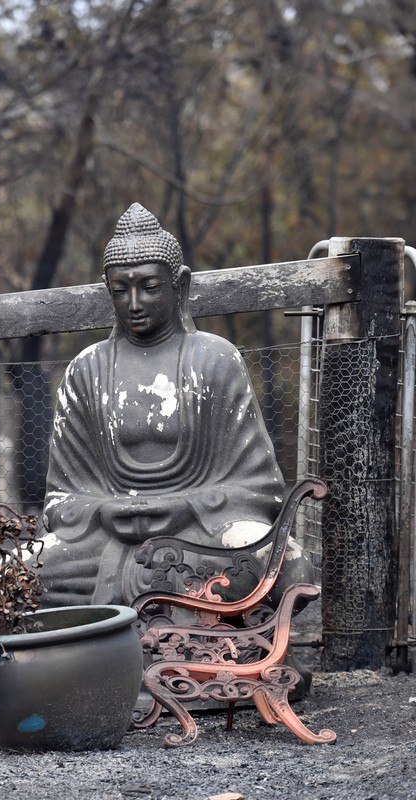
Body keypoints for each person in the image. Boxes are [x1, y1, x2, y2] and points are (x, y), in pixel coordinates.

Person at [40, 202, 313, 607]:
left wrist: (184, 508)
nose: (134, 303)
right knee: (22, 571)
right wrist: (105, 512)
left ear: (179, 284)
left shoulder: (215, 360)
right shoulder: (87, 369)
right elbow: (62, 499)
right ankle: (173, 597)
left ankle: (130, 601)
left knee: (287, 566)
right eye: (120, 290)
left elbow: (260, 488)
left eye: (149, 287)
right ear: (107, 290)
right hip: (107, 539)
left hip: (200, 533)